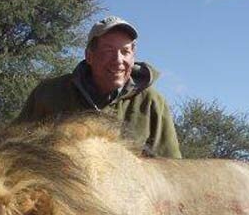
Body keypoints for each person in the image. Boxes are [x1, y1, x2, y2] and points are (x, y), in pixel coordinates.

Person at [17, 16, 181, 158]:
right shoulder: (49, 93)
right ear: (89, 56)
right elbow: (14, 148)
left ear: (133, 56)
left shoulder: (152, 102)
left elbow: (171, 168)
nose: (118, 60)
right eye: (108, 50)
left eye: (125, 52)